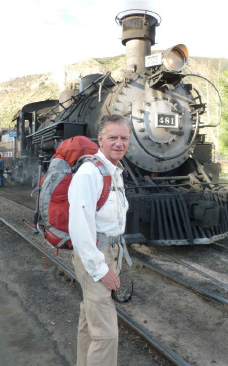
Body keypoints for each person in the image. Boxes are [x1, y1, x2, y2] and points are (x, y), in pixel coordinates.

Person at [68, 115, 132, 366]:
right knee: (106, 335)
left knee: (89, 320)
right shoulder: (89, 173)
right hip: (95, 255)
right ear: (100, 139)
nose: (119, 143)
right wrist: (101, 270)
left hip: (110, 251)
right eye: (113, 137)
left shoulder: (114, 171)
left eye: (124, 138)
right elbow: (80, 229)